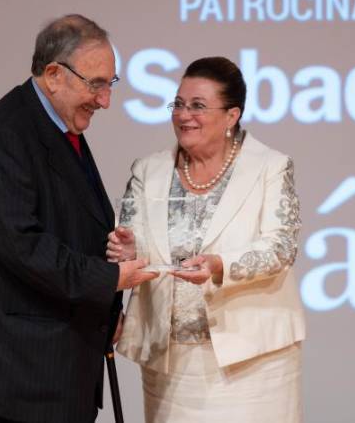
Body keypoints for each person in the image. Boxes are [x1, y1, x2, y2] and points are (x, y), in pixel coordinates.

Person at [0, 14, 157, 423]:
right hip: (14, 376)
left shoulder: (55, 127)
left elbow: (70, 226)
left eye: (110, 84)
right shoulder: (8, 135)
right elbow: (22, 245)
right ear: (54, 75)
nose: (105, 100)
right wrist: (109, 280)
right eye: (96, 84)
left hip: (47, 371)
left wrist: (112, 261)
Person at [110, 56, 306, 422]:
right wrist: (125, 250)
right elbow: (133, 242)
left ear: (232, 115)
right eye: (179, 104)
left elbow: (282, 246)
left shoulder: (270, 166)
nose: (184, 115)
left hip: (253, 361)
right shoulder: (148, 170)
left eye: (198, 106)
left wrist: (219, 265)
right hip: (170, 362)